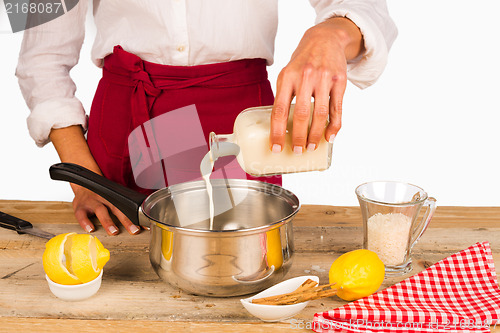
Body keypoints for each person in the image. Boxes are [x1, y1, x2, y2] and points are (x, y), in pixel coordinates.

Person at [16, 1, 397, 236]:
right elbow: (40, 57)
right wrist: (82, 175)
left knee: (239, 272)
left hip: (238, 128)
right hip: (123, 128)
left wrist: (332, 32)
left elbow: (368, 7)